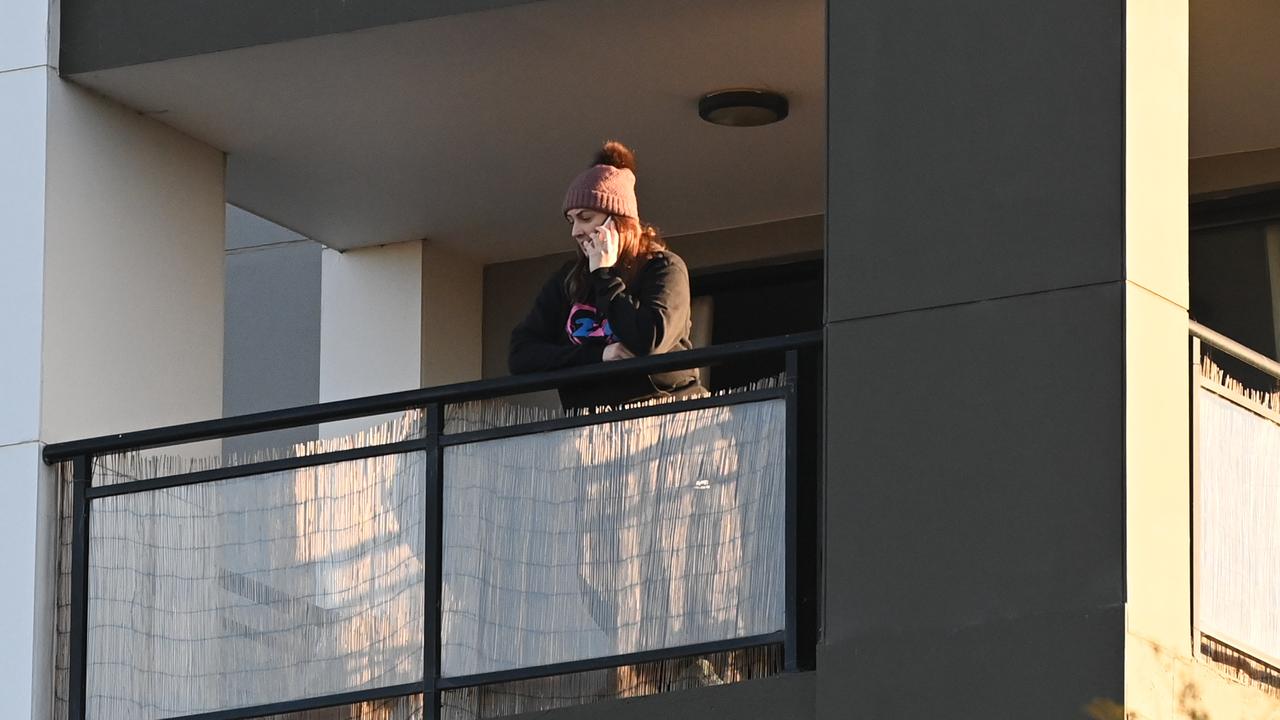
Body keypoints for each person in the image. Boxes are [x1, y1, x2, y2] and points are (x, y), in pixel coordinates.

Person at [509, 140, 702, 409]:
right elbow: (521, 355)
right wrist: (599, 354)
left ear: (618, 221)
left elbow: (649, 342)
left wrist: (604, 274)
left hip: (664, 419)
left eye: (585, 217)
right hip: (590, 428)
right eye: (572, 220)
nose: (575, 231)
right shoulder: (569, 279)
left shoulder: (663, 268)